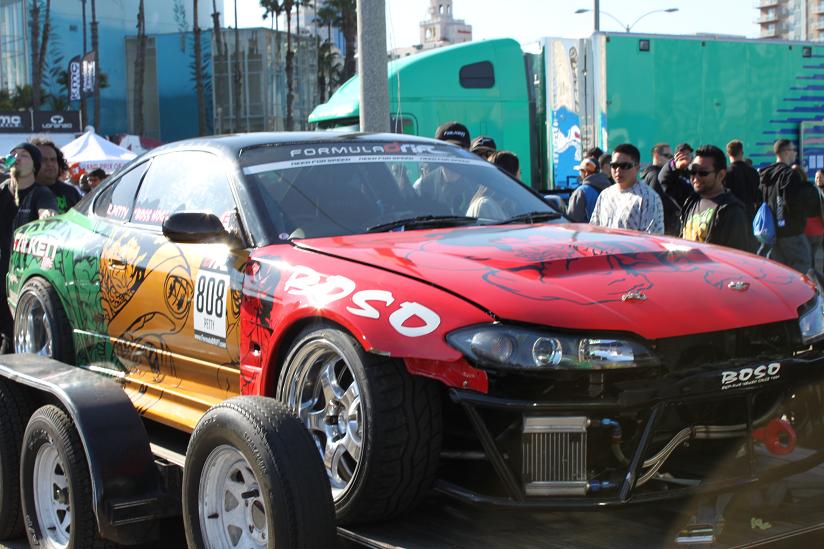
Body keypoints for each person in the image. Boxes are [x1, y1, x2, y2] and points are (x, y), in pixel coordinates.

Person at [0, 144, 58, 351]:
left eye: (24, 155)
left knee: (16, 334)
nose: (17, 158)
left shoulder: (40, 193)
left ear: (34, 166)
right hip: (2, 272)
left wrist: (47, 216)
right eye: (14, 155)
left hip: (22, 277)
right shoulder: (2, 190)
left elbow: (47, 212)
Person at [759, 139, 819, 272]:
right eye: (793, 150)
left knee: (780, 269)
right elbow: (790, 201)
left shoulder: (765, 175)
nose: (795, 153)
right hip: (791, 230)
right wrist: (799, 220)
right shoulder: (789, 174)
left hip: (773, 230)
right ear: (785, 152)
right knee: (803, 263)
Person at [680, 145, 750, 251]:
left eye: (703, 173)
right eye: (692, 172)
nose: (696, 177)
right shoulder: (690, 202)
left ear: (721, 175)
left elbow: (736, 255)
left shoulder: (732, 211)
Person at [590, 143, 664, 234]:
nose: (618, 170)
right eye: (614, 165)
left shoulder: (648, 197)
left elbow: (652, 237)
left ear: (637, 168)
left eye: (624, 166)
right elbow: (594, 229)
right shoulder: (605, 195)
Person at [30, 137, 82, 214]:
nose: (50, 164)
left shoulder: (71, 192)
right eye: (43, 160)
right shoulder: (25, 192)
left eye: (53, 159)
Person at [653, 142, 694, 236]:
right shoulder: (666, 174)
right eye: (682, 154)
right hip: (672, 227)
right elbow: (663, 178)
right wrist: (675, 165)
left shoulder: (691, 174)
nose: (686, 157)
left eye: (688, 154)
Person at [724, 139, 760, 223]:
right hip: (750, 215)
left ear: (728, 153)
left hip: (731, 216)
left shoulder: (725, 173)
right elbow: (757, 195)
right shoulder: (753, 172)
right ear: (742, 152)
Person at [566, 157, 612, 222]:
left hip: (587, 228)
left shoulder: (581, 192)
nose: (580, 174)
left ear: (586, 172)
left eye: (581, 171)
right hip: (606, 228)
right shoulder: (610, 189)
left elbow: (572, 220)